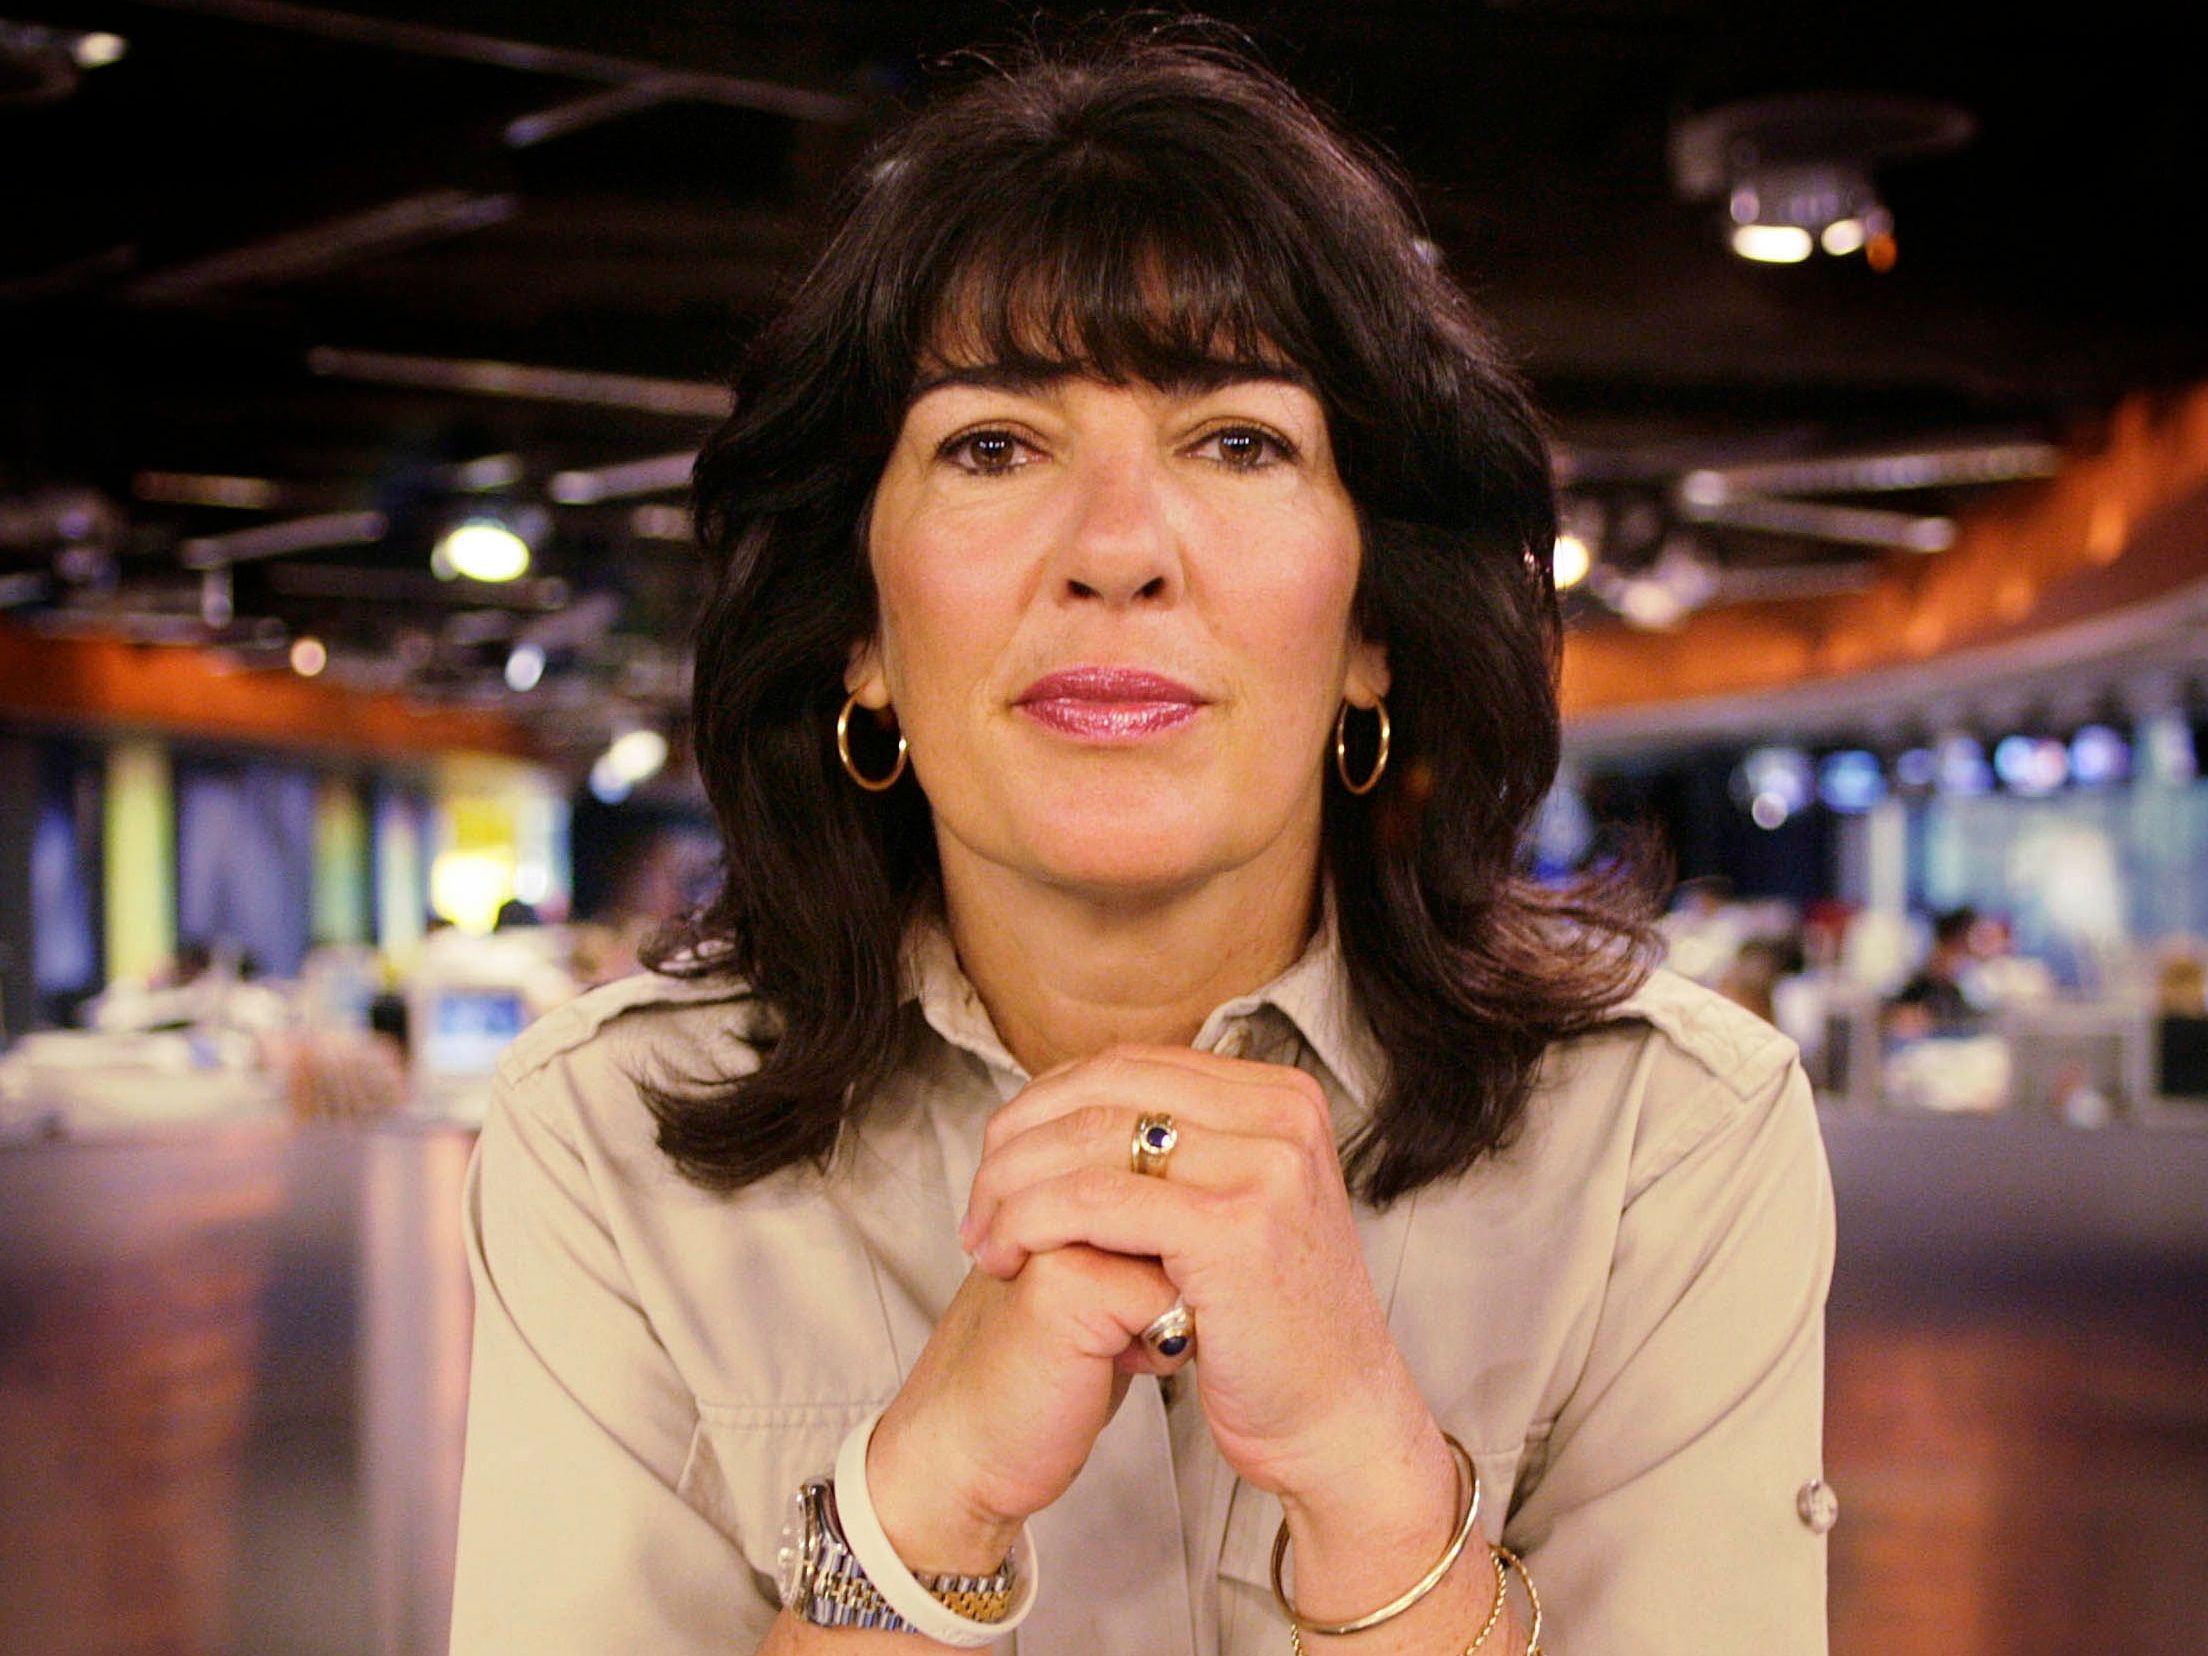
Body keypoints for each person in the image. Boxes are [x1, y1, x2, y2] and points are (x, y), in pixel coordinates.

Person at [450, 28, 1835, 1656]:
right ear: (859, 631)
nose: (1117, 551)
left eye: (1239, 442)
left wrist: (1373, 1478)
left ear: (1374, 625)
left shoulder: (1668, 1142)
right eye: (992, 446)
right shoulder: (606, 1139)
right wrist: (920, 1507)